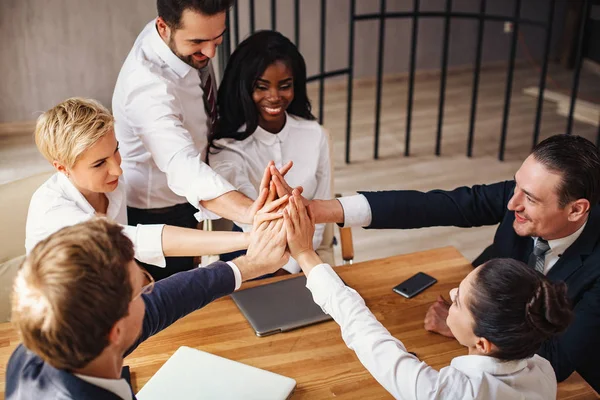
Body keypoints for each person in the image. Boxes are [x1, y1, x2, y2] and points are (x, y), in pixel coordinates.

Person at [276, 133, 600, 390]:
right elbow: (435, 205)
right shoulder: (523, 197)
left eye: (529, 198)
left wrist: (472, 327)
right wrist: (321, 210)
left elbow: (557, 363)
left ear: (576, 210)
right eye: (516, 185)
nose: (512, 202)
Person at [283, 191, 572, 399]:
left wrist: (304, 253)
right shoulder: (543, 371)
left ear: (482, 343)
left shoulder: (445, 393)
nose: (451, 291)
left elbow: (365, 333)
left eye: (458, 301)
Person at [6, 214, 289, 399]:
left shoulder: (42, 344)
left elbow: (160, 303)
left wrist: (248, 265)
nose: (149, 291)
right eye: (141, 288)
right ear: (115, 332)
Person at [112, 0, 283, 275]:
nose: (211, 52)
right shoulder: (146, 88)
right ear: (163, 27)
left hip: (204, 181)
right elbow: (184, 170)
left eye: (218, 38)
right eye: (198, 42)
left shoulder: (175, 34)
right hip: (159, 209)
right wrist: (253, 214)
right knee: (174, 301)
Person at [27, 98, 266, 280]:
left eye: (116, 151)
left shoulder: (110, 185)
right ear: (62, 167)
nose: (118, 171)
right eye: (99, 163)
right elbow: (135, 241)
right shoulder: (53, 212)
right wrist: (250, 238)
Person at [208, 30, 331, 273]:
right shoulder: (226, 146)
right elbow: (251, 225)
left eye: (284, 86)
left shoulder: (314, 134)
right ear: (243, 88)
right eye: (261, 87)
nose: (274, 97)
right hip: (250, 256)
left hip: (306, 255)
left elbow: (321, 209)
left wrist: (301, 262)